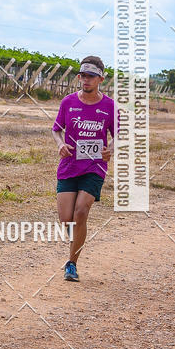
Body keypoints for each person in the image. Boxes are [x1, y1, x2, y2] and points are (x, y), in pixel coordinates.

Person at [51, 56, 115, 282]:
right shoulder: (68, 102)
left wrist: (111, 149)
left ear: (101, 79)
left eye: (91, 76)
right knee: (66, 220)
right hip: (69, 166)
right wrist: (60, 145)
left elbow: (118, 135)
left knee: (81, 212)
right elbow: (56, 129)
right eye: (83, 75)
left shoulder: (109, 106)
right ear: (79, 77)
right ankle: (75, 236)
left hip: (94, 166)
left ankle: (72, 264)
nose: (86, 80)